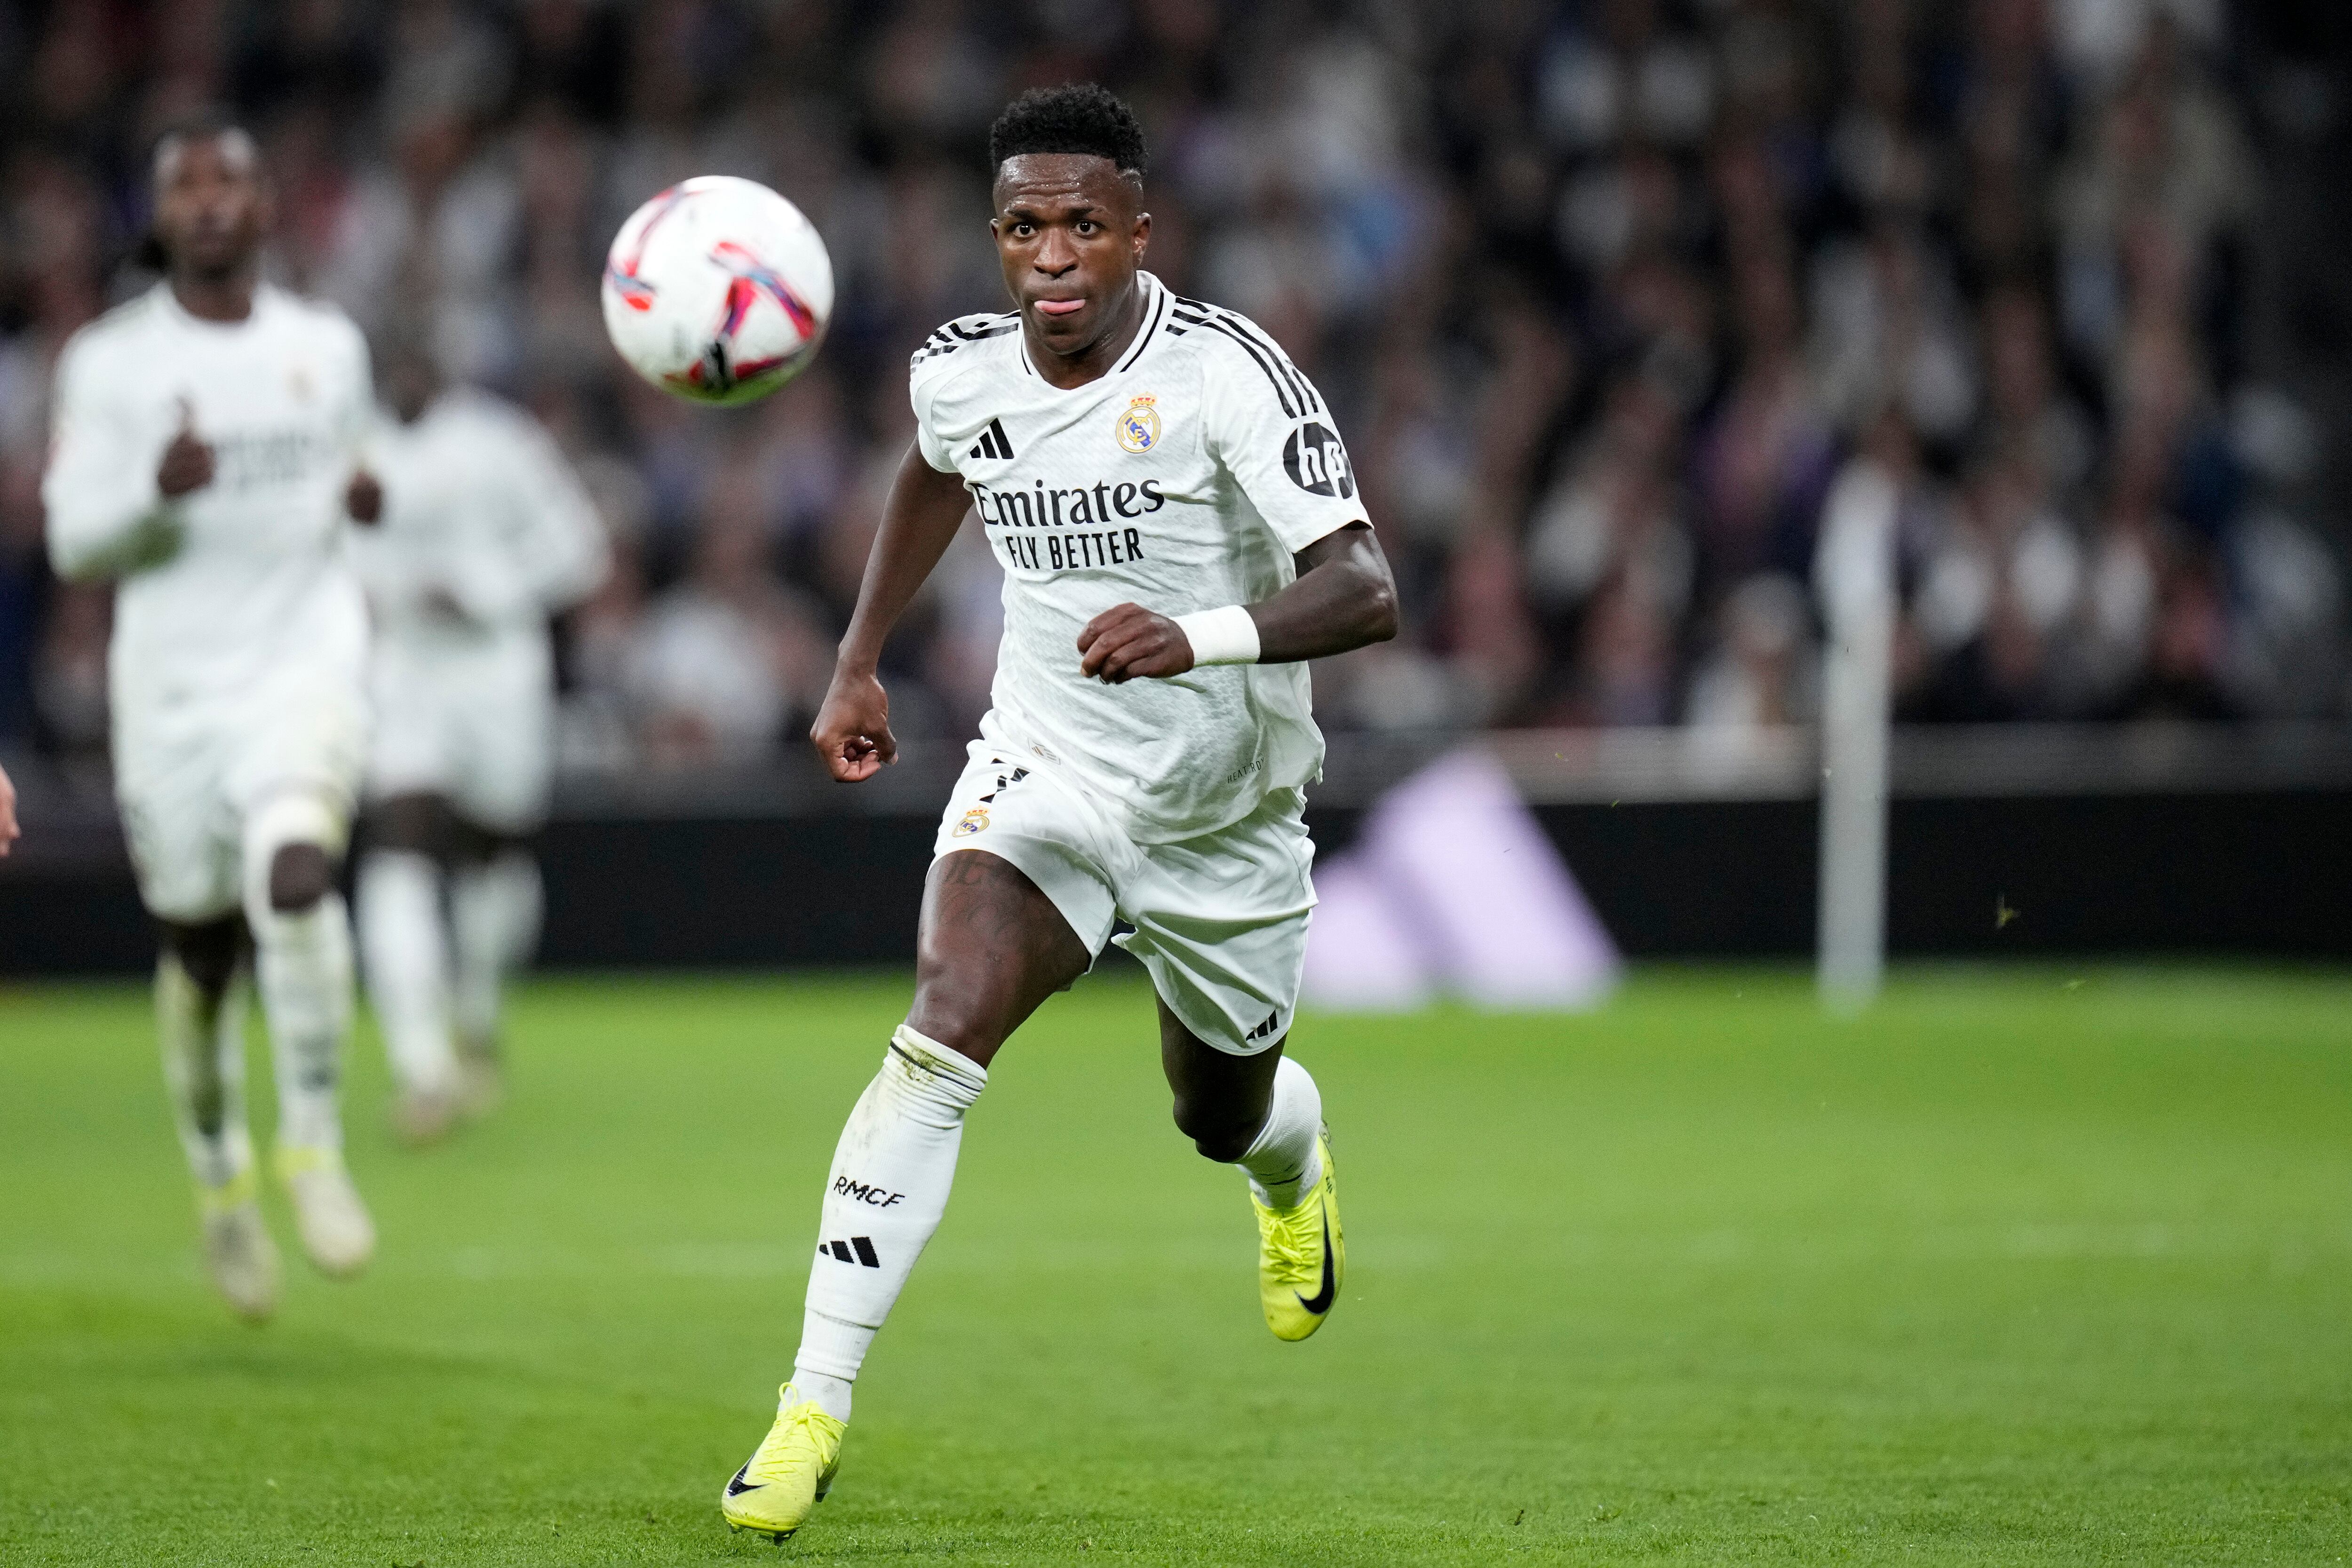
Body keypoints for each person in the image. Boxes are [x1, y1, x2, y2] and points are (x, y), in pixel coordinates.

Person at [722, 84, 1399, 1542]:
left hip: (1224, 810)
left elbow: (1367, 587)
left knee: (1213, 1111)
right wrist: (856, 662)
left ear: (1141, 234)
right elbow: (931, 472)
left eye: (1084, 224)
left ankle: (1292, 1154)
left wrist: (1198, 631)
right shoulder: (966, 371)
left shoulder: (1229, 372)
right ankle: (809, 1404)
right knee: (944, 1015)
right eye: (1025, 226)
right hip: (1051, 764)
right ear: (996, 237)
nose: (1052, 254)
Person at [42, 114, 380, 1323]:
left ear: (266, 204)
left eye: (229, 177)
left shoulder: (326, 346)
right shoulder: (111, 362)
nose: (210, 199)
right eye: (186, 183)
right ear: (161, 215)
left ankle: (314, 1143)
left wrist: (368, 488)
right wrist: (153, 493)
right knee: (198, 943)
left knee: (296, 872)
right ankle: (219, 1171)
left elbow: (350, 470)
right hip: (174, 690)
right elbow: (74, 537)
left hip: (303, 661)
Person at [351, 337, 607, 1143]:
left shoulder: (501, 442)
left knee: (492, 853)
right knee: (399, 839)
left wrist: (485, 591)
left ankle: (477, 1011)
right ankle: (422, 1068)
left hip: (497, 667)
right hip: (399, 668)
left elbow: (580, 548)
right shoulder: (351, 449)